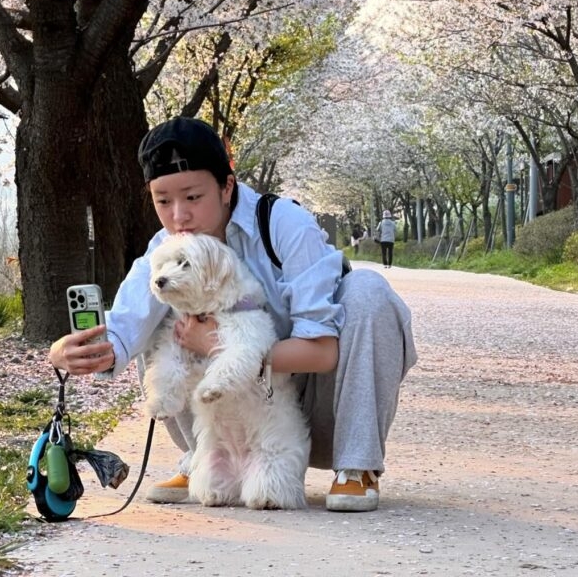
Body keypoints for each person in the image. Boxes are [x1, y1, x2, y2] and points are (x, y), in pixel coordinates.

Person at [49, 117, 417, 513]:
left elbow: (323, 351)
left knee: (369, 290)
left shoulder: (283, 225)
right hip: (226, 417)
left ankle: (356, 466)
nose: (179, 216)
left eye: (192, 197)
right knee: (160, 315)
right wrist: (75, 353)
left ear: (227, 186)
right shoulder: (166, 247)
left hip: (318, 407)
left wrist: (216, 345)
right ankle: (204, 458)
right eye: (163, 201)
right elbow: (122, 331)